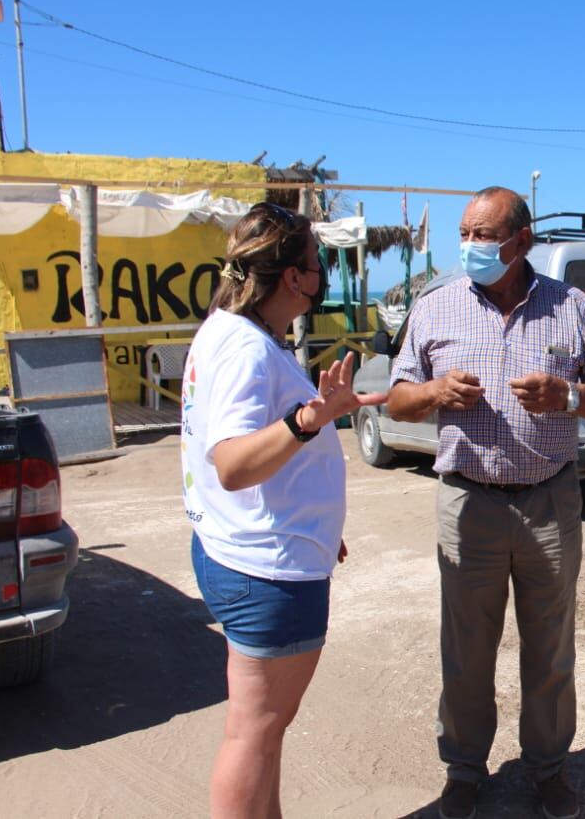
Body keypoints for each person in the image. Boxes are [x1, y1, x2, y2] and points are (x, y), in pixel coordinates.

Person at [385, 186, 585, 819]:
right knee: (466, 648)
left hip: (549, 500)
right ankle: (464, 770)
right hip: (469, 501)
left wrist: (566, 396)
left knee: (549, 645)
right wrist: (435, 391)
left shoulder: (571, 307)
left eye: (483, 235)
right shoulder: (435, 306)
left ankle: (547, 768)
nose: (470, 246)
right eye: (464, 233)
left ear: (521, 240)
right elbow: (397, 400)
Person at [181, 201, 387, 818]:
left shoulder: (226, 330)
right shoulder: (245, 348)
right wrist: (311, 417)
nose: (321, 274)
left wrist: (317, 519)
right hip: (266, 571)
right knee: (255, 733)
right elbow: (234, 464)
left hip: (248, 551)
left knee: (262, 733)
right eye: (316, 264)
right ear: (293, 278)